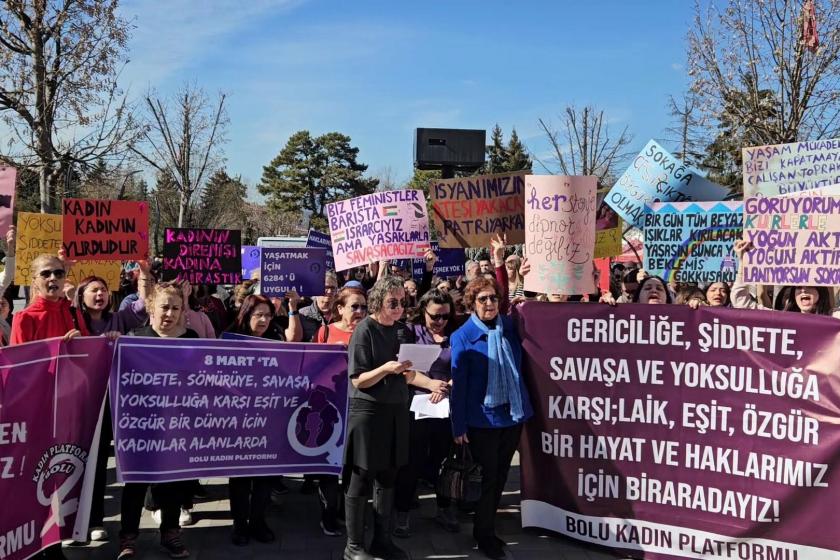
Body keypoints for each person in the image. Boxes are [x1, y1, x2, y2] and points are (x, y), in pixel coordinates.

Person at [342, 276, 446, 560]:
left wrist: (431, 384)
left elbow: (409, 373)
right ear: (378, 302)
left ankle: (382, 540)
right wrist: (386, 369)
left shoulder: (403, 332)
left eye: (403, 302)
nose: (399, 307)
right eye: (393, 302)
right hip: (368, 412)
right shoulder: (364, 330)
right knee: (362, 477)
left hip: (397, 410)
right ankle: (354, 546)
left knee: (389, 477)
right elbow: (358, 380)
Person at [450, 276, 533, 560]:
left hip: (512, 415)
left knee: (499, 478)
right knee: (488, 478)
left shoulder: (508, 327)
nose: (489, 303)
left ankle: (486, 526)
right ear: (472, 303)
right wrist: (458, 425)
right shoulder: (462, 336)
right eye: (482, 299)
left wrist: (509, 272)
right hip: (482, 420)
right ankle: (484, 535)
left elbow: (519, 304)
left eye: (493, 298)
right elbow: (458, 386)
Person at [72, 264, 153, 543]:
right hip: (83, 404)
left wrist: (144, 273)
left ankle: (138, 516)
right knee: (89, 464)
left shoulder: (118, 319)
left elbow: (144, 305)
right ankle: (90, 520)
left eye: (104, 290)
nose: (100, 295)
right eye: (94, 290)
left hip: (116, 402)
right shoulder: (73, 322)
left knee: (126, 457)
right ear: (81, 295)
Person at [118, 282, 195, 560]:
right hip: (141, 427)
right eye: (164, 306)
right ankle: (128, 538)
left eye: (175, 308)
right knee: (135, 485)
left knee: (173, 483)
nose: (169, 313)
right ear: (151, 307)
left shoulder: (193, 338)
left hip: (178, 425)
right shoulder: (135, 337)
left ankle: (170, 534)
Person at [394, 289, 457, 538]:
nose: (440, 321)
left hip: (447, 406)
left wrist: (448, 385)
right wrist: (431, 384)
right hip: (417, 404)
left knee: (443, 460)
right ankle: (402, 511)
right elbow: (403, 368)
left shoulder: (455, 334)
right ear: (423, 312)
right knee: (412, 461)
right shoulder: (412, 332)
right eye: (435, 316)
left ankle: (444, 507)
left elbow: (464, 364)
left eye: (445, 316)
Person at [226, 295, 284, 546]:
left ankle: (258, 521)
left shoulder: (276, 339)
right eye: (258, 314)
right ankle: (240, 524)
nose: (263, 320)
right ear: (246, 314)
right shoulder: (229, 338)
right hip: (237, 419)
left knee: (264, 474)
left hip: (267, 417)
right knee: (239, 476)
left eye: (268, 315)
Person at [313, 286, 368, 537]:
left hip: (359, 407)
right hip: (330, 407)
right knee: (328, 465)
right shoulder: (325, 331)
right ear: (340, 309)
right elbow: (312, 367)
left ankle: (349, 512)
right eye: (354, 306)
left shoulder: (369, 332)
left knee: (353, 465)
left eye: (363, 307)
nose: (359, 311)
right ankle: (327, 513)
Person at [731, 240, 838, 316]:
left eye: (810, 286)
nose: (803, 290)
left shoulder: (834, 318)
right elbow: (740, 303)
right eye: (798, 287)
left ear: (821, 291)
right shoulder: (783, 319)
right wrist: (744, 262)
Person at [300, 271, 339, 342]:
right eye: (326, 287)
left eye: (333, 288)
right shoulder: (302, 314)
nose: (329, 291)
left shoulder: (341, 315)